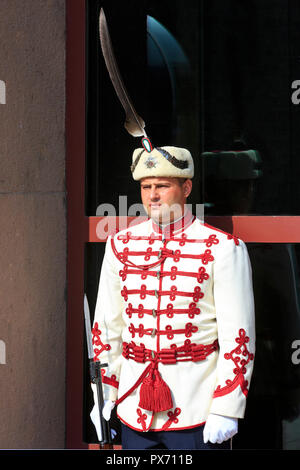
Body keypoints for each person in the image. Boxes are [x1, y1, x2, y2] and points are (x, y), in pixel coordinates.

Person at [90, 146, 255, 450]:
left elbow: (238, 339)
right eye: (146, 187)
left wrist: (226, 408)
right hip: (133, 408)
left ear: (186, 187)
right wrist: (104, 395)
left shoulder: (223, 248)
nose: (152, 195)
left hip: (198, 410)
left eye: (162, 186)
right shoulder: (120, 246)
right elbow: (106, 328)